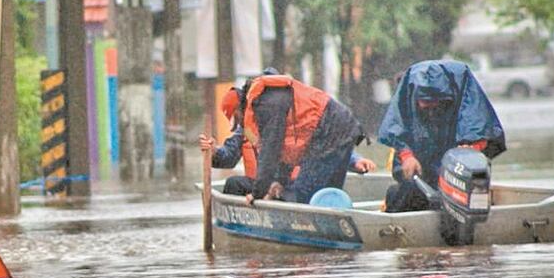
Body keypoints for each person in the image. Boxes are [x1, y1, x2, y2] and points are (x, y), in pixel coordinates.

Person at [199, 76, 376, 196]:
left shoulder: (296, 116)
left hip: (300, 180)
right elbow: (228, 157)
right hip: (268, 183)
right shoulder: (247, 129)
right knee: (233, 184)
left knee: (308, 191)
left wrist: (354, 160)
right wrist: (213, 152)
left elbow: (325, 144)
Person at [378, 59, 506, 213]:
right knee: (398, 193)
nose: (430, 107)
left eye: (436, 101)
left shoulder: (466, 100)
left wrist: (472, 150)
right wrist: (407, 156)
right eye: (424, 101)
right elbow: (397, 131)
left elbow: (482, 130)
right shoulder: (407, 101)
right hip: (421, 177)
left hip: (460, 181)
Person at [241, 68, 367, 204]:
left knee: (303, 195)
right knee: (328, 195)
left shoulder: (266, 103)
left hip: (330, 132)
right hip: (346, 126)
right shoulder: (277, 96)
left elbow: (271, 149)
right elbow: (285, 150)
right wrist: (279, 181)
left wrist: (258, 193)